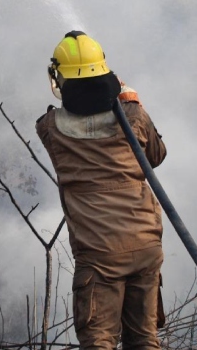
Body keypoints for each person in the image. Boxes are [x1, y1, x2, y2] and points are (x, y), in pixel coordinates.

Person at [35, 31, 167, 349]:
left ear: (58, 79)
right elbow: (156, 157)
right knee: (144, 339)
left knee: (98, 340)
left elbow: (73, 117)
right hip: (145, 246)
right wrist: (132, 102)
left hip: (99, 256)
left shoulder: (49, 129)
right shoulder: (133, 117)